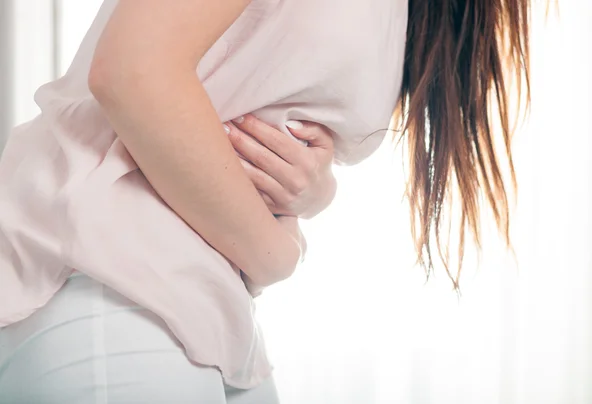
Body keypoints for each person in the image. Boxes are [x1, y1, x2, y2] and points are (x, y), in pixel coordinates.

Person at [0, 0, 531, 402]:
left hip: (209, 303)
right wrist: (274, 254)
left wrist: (315, 187)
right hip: (108, 273)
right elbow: (132, 70)